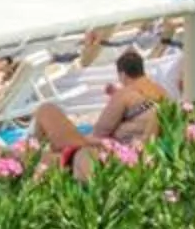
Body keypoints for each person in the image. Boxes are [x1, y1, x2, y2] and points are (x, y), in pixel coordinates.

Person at [30, 50, 168, 178]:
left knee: (45, 110)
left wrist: (83, 137)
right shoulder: (162, 93)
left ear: (122, 74)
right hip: (132, 155)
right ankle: (35, 153)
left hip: (110, 155)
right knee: (53, 150)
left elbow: (100, 132)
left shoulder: (126, 94)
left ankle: (31, 152)